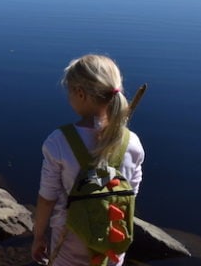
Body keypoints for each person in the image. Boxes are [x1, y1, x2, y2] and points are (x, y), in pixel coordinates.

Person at [31, 54, 145, 266]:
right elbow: (131, 193)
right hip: (112, 243)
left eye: (69, 93)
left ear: (80, 94)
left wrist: (38, 236)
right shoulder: (133, 143)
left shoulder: (59, 142)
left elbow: (47, 198)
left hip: (69, 245)